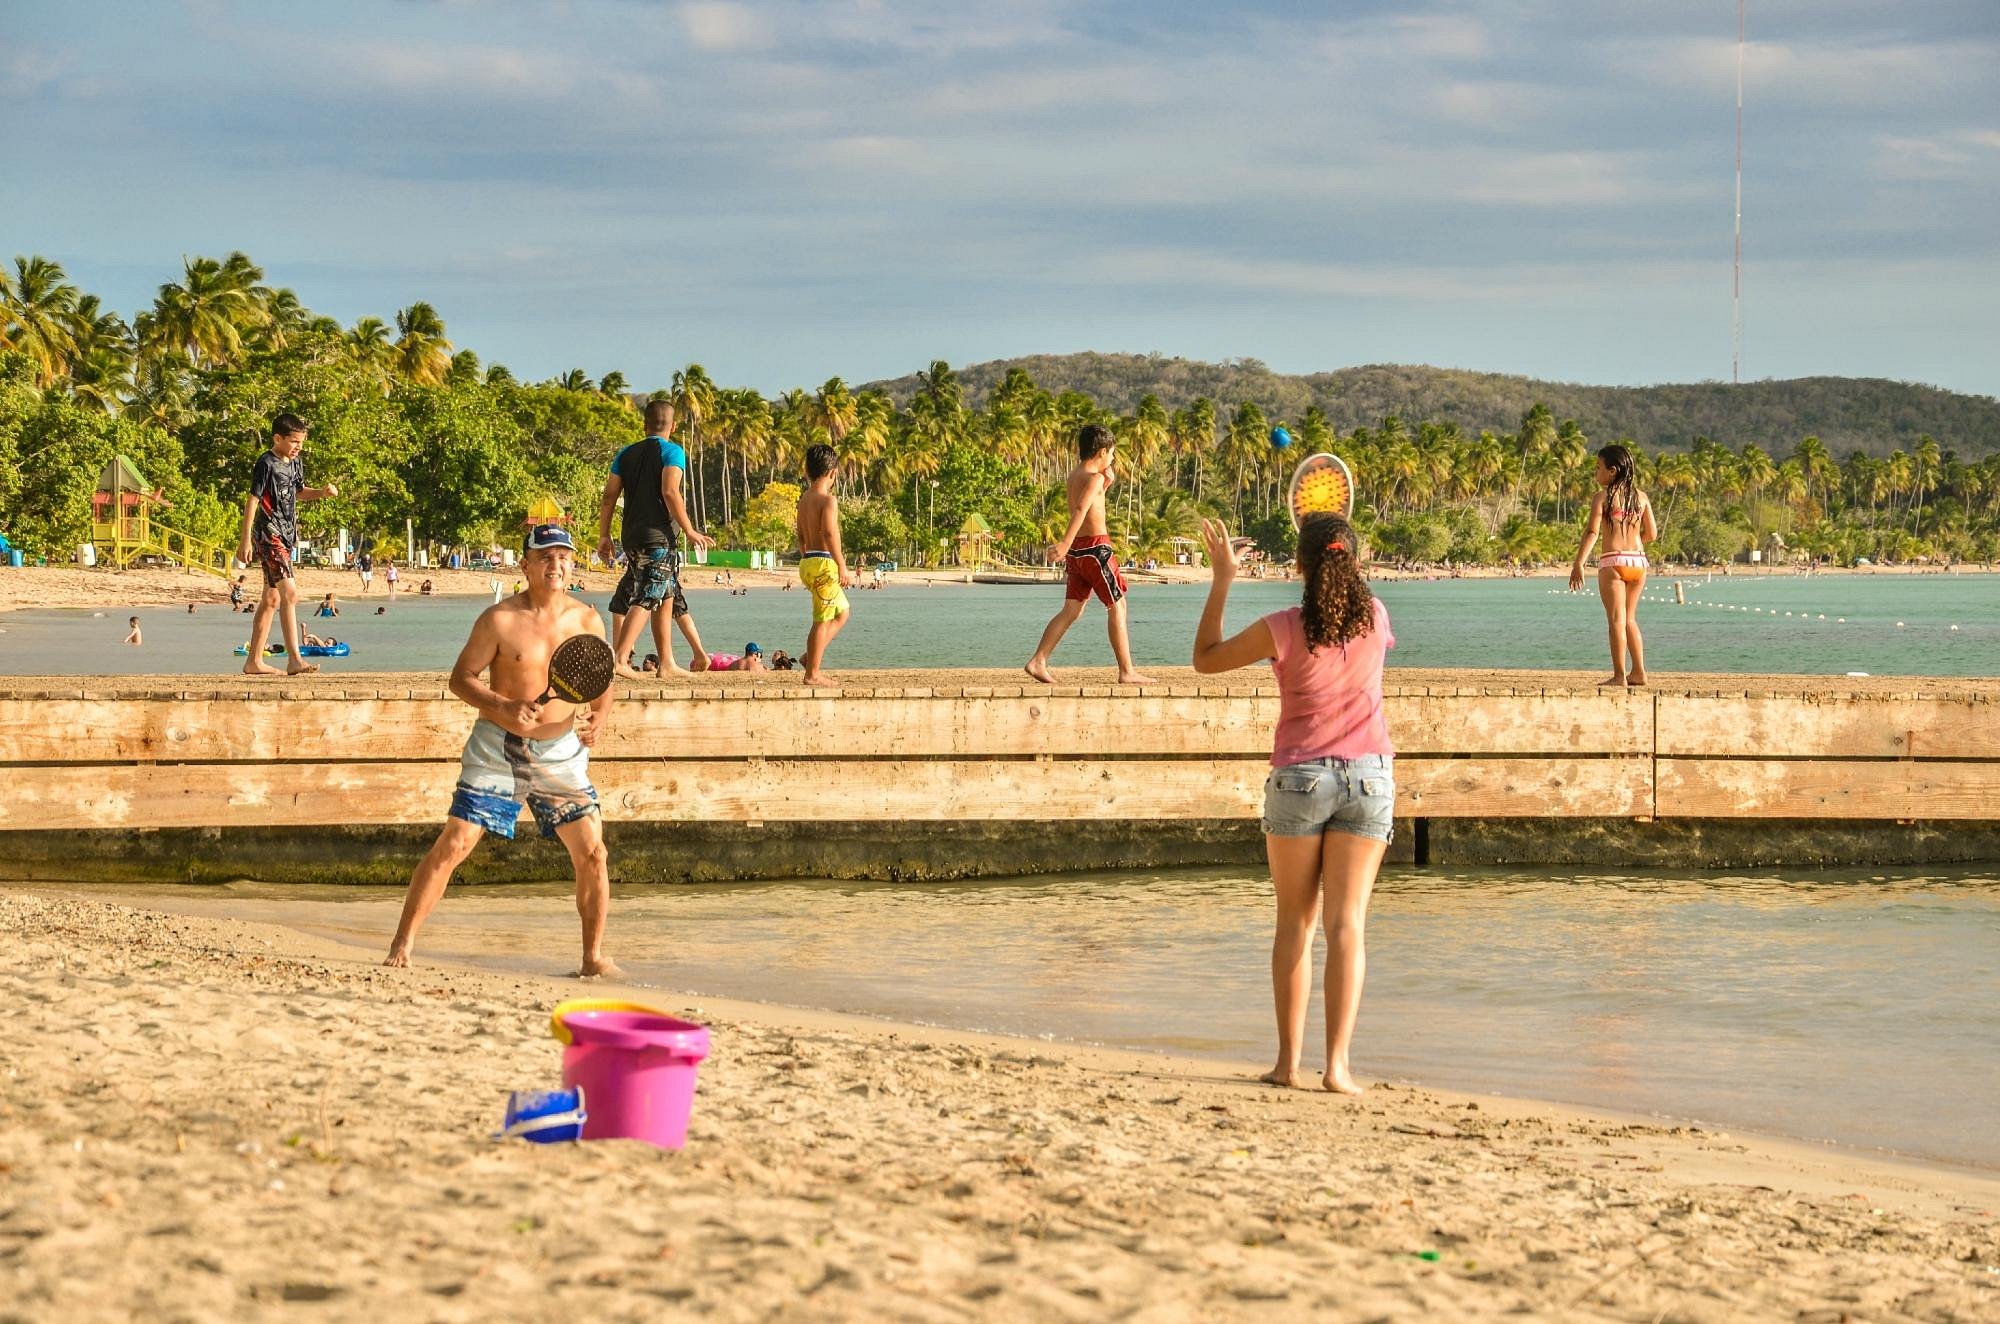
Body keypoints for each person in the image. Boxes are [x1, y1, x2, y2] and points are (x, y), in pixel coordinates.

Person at [1192, 514, 1395, 1096]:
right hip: (1369, 779)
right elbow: (1352, 610)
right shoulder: (1377, 617)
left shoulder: (1282, 627)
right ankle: (1338, 1069)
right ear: (1354, 561)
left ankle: (1287, 1064)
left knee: (1296, 925)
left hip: (1300, 778)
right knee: (1347, 926)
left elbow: (1204, 657)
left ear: (1298, 567)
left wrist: (1224, 579)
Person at [385, 524, 619, 976]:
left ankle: (591, 959)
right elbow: (461, 678)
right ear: (526, 565)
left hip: (562, 754)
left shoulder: (588, 620)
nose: (556, 565)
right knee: (455, 844)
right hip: (497, 748)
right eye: (545, 557)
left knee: (593, 852)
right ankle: (402, 944)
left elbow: (601, 680)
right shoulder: (499, 619)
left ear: (574, 564)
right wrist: (504, 706)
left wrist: (600, 717)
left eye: (564, 557)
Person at [1025, 423, 1155, 686]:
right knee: (1117, 604)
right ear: (1102, 452)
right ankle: (1126, 671)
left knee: (1072, 609)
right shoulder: (1094, 478)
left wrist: (1106, 485)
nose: (1113, 459)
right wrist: (1063, 543)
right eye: (1112, 454)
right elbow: (1081, 510)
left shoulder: (1075, 476)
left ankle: (1039, 660)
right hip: (1096, 550)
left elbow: (1089, 502)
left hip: (1078, 553)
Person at [597, 399, 715, 679]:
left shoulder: (625, 454)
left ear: (644, 425)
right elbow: (670, 491)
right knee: (650, 593)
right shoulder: (672, 451)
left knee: (666, 594)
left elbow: (609, 496)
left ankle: (667, 663)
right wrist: (689, 530)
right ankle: (621, 659)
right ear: (673, 426)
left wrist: (604, 535)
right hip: (658, 536)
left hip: (632, 536)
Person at [235, 412, 337, 676]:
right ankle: (294, 659)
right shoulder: (265, 463)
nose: (297, 447)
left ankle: (253, 661)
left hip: (286, 535)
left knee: (271, 599)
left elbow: (299, 492)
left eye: (301, 443)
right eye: (293, 442)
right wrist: (245, 539)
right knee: (290, 594)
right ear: (277, 438)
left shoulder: (295, 464)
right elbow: (253, 500)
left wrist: (321, 494)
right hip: (268, 533)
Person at [1569, 443, 1658, 687]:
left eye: (1598, 468)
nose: (1595, 473)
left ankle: (1620, 676)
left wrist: (1579, 563)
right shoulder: (1642, 497)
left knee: (1616, 621)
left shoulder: (1603, 498)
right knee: (1630, 619)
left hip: (1613, 561)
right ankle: (1639, 672)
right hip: (1638, 562)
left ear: (1613, 470)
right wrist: (1633, 542)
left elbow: (1591, 532)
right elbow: (1652, 533)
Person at [795, 443, 854, 686]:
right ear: (833, 473)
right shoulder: (828, 500)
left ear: (807, 472)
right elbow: (829, 533)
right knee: (821, 619)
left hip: (808, 562)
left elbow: (800, 532)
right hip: (824, 563)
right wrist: (842, 565)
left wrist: (805, 548)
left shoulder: (804, 499)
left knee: (842, 613)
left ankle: (810, 656)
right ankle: (812, 673)